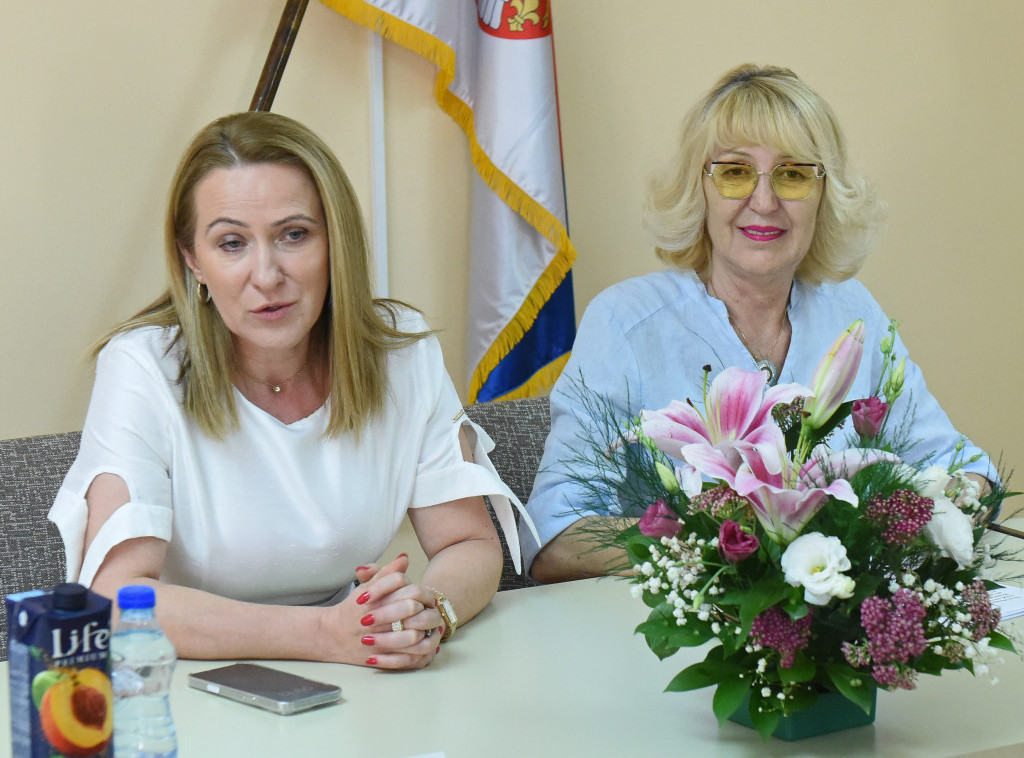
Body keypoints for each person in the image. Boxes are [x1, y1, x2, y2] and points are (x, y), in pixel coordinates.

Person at [50, 111, 531, 670]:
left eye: (294, 235)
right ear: (193, 260)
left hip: (358, 673)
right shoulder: (143, 367)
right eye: (232, 243)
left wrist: (426, 613)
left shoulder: (401, 351)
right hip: (188, 678)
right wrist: (325, 635)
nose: (267, 275)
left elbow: (467, 543)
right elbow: (115, 598)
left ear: (335, 241)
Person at [522, 63, 995, 583]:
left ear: (824, 194)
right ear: (698, 189)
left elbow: (967, 470)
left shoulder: (853, 314)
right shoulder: (625, 323)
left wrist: (925, 522)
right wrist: (734, 546)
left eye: (793, 174)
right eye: (735, 172)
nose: (765, 202)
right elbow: (555, 537)